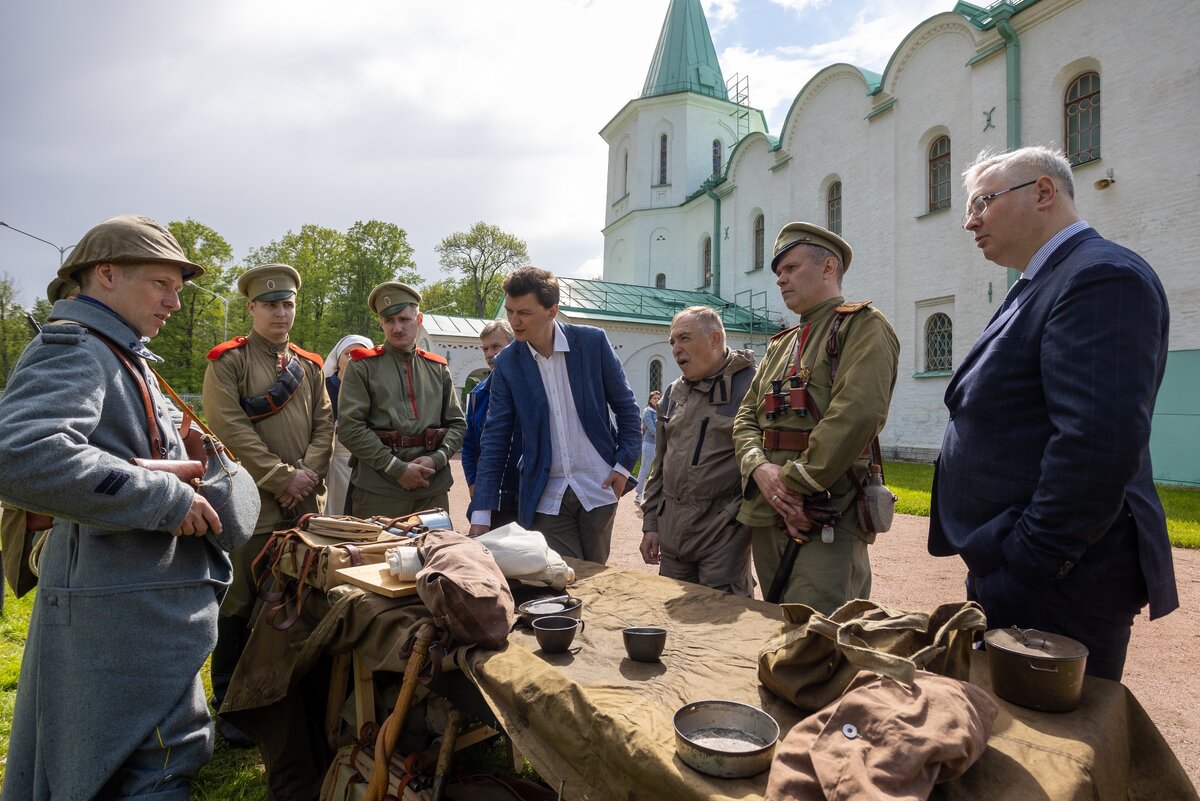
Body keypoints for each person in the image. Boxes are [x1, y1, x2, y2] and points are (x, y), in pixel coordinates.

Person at [0, 214, 231, 800]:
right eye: (162, 284)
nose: (174, 303)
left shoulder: (123, 353)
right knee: (156, 761)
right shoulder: (76, 348)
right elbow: (20, 454)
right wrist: (164, 496)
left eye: (178, 288)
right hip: (120, 608)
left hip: (142, 605)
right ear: (106, 274)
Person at [928, 146, 1178, 680]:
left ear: (1043, 193)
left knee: (1051, 744)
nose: (970, 221)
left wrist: (1024, 566)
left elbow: (1096, 447)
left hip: (1059, 579)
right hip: (1025, 565)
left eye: (982, 203)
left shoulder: (1101, 277)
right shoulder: (1045, 279)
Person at [733, 222, 899, 613]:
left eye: (790, 268)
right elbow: (744, 419)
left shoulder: (863, 327)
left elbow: (856, 416)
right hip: (770, 507)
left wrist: (790, 485)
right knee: (774, 624)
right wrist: (761, 471)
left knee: (821, 631)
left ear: (828, 268)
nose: (781, 279)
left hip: (826, 510)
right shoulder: (782, 343)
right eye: (778, 273)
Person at [201, 263, 334, 742]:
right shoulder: (228, 361)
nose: (281, 313)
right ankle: (233, 709)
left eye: (288, 304)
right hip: (252, 503)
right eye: (271, 305)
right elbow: (228, 429)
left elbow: (325, 426)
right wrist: (281, 477)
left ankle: (288, 695)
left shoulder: (311, 366)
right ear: (252, 307)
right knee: (240, 601)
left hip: (303, 505)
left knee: (300, 596)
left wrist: (307, 476)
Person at [467, 266, 640, 564]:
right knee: (562, 575)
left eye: (524, 312)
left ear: (552, 311)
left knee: (599, 575)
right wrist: (481, 513)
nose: (514, 321)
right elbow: (495, 439)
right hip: (545, 493)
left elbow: (627, 408)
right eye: (509, 311)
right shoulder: (508, 363)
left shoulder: (592, 343)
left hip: (598, 487)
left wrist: (624, 464)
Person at [640, 307, 756, 595]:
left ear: (715, 338)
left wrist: (739, 522)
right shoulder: (672, 392)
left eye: (684, 339)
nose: (676, 350)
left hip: (723, 535)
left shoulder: (752, 386)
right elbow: (660, 463)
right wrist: (650, 524)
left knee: (719, 623)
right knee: (672, 621)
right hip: (673, 535)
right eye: (672, 342)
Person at [337, 282, 466, 517]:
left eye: (404, 319)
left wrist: (437, 458)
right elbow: (350, 428)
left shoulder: (437, 368)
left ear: (419, 320)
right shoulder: (362, 366)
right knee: (378, 554)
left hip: (432, 488)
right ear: (381, 323)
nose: (397, 328)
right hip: (379, 490)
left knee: (433, 552)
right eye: (389, 321)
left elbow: (458, 424)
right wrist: (396, 468)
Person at [460, 320, 521, 528]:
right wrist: (473, 483)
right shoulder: (478, 394)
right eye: (485, 348)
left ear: (514, 346)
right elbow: (468, 447)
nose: (489, 354)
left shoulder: (531, 389)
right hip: (490, 497)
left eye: (496, 346)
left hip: (526, 497)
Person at [323, 333, 375, 515]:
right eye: (348, 353)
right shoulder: (323, 386)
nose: (353, 358)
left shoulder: (375, 388)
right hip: (330, 462)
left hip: (364, 462)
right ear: (338, 358)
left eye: (361, 353)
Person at [635, 390, 661, 504]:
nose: (657, 400)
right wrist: (664, 436)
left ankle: (653, 494)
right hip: (649, 444)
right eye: (655, 398)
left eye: (659, 398)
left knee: (657, 470)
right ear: (650, 400)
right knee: (645, 468)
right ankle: (638, 494)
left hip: (659, 444)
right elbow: (652, 429)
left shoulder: (661, 411)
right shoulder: (647, 412)